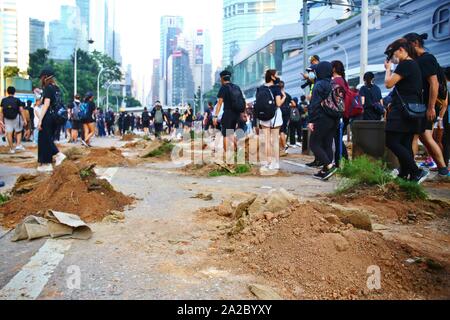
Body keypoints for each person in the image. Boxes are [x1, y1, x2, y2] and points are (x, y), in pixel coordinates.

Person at [404, 32, 449, 179]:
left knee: (416, 136)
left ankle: (408, 168)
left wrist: (430, 108)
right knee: (424, 137)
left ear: (415, 43)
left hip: (427, 106)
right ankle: (442, 169)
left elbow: (434, 84)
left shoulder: (426, 59)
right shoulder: (420, 60)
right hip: (424, 106)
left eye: (406, 46)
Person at [384, 38, 428, 184]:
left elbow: (388, 84)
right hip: (412, 111)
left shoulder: (405, 65)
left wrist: (388, 69)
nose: (393, 59)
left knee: (391, 141)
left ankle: (416, 171)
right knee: (405, 143)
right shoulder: (414, 65)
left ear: (401, 50)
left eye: (393, 55)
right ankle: (405, 174)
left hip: (402, 111)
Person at [308, 61, 340, 180]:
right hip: (335, 118)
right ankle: (325, 171)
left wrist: (311, 120)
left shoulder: (319, 84)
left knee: (314, 144)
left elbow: (314, 104)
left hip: (322, 118)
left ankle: (329, 165)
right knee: (327, 143)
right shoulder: (334, 84)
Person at [36, 67, 67, 173]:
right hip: (56, 118)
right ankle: (57, 156)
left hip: (48, 117)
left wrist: (40, 120)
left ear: (45, 78)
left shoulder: (48, 88)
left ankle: (47, 163)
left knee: (44, 139)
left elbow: (46, 105)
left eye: (41, 78)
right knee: (48, 139)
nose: (40, 80)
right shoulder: (57, 88)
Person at [213, 70, 246, 158]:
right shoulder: (237, 87)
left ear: (222, 78)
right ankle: (236, 151)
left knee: (226, 134)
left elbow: (219, 103)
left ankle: (226, 154)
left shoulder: (223, 87)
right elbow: (243, 100)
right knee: (230, 133)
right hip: (237, 113)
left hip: (228, 113)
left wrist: (215, 116)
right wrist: (243, 113)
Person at [258, 69, 285, 171]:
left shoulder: (261, 88)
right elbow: (278, 104)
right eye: (277, 74)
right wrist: (284, 98)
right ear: (272, 77)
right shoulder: (276, 88)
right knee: (275, 140)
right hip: (275, 115)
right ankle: (276, 163)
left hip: (264, 116)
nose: (278, 76)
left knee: (267, 140)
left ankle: (268, 163)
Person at [331, 60, 350, 167]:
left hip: (339, 113)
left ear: (334, 69)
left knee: (337, 138)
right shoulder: (342, 80)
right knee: (338, 138)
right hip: (344, 112)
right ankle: (344, 161)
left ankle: (340, 162)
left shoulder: (337, 81)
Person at [0, 86, 28, 154]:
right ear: (14, 92)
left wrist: (1, 121)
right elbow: (21, 110)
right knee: (19, 131)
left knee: (9, 133)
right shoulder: (17, 100)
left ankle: (11, 149)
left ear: (7, 92)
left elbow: (1, 111)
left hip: (7, 119)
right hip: (16, 118)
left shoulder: (3, 100)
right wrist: (24, 119)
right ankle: (18, 145)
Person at [279, 81, 292, 152]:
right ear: (283, 86)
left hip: (279, 113)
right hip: (286, 113)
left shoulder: (277, 95)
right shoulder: (287, 95)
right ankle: (282, 147)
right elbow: (293, 103)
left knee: (280, 130)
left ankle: (284, 146)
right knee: (283, 129)